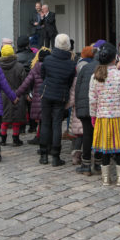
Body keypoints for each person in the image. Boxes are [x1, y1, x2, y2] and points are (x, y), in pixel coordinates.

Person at [89, 43, 120, 186]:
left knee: (105, 148)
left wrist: (93, 116)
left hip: (102, 117)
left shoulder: (95, 76)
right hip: (119, 116)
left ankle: (106, 178)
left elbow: (92, 99)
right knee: (119, 149)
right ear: (114, 59)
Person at [39, 34, 76, 166]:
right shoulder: (71, 64)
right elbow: (70, 82)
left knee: (45, 123)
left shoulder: (48, 59)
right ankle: (55, 156)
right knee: (56, 125)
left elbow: (43, 75)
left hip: (47, 92)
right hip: (60, 95)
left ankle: (43, 155)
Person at [75, 47, 101, 175]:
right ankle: (98, 163)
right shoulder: (104, 68)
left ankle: (86, 164)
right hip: (99, 107)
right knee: (99, 134)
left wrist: (78, 108)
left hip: (85, 106)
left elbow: (77, 88)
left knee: (87, 135)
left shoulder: (85, 67)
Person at [17, 48, 51, 145]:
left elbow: (26, 83)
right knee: (47, 121)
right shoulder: (51, 68)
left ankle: (40, 140)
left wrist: (16, 95)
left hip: (37, 98)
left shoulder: (35, 68)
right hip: (49, 97)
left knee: (41, 121)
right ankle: (44, 140)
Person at [0, 45, 27, 146]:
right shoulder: (19, 66)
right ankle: (15, 138)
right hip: (17, 94)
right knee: (16, 118)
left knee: (4, 118)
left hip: (2, 95)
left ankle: (3, 138)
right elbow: (24, 82)